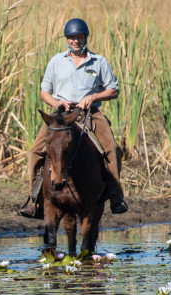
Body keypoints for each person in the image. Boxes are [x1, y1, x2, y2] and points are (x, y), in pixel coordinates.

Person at [19, 18, 128, 218]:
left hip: (90, 113)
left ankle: (115, 196)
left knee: (112, 149)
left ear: (85, 37)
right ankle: (35, 201)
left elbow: (113, 90)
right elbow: (44, 92)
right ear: (66, 39)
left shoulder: (99, 61)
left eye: (78, 37)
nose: (75, 41)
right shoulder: (56, 61)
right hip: (61, 115)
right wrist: (55, 103)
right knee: (34, 152)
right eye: (71, 38)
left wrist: (93, 97)